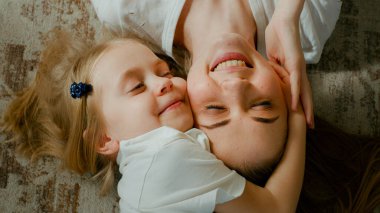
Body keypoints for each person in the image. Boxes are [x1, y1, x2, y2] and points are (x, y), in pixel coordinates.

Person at [1, 31, 306, 212]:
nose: (165, 83)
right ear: (104, 139)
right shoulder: (168, 157)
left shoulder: (155, 168)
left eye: (164, 72)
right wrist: (297, 117)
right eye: (137, 87)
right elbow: (274, 208)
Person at [90, 0, 343, 185]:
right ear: (284, 89)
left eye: (215, 109)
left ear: (184, 103)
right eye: (262, 104)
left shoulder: (123, 10)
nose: (235, 86)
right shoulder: (307, 27)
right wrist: (287, 15)